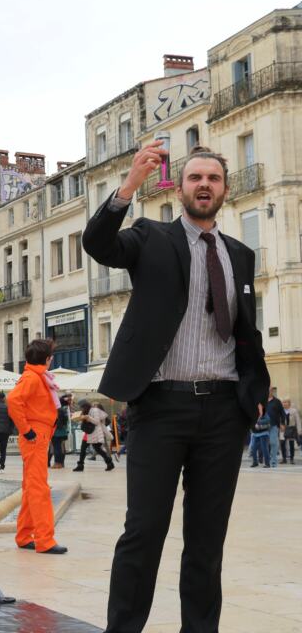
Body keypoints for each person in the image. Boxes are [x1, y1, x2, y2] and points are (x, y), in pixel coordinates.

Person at [83, 143, 269, 633]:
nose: (204, 185)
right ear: (180, 187)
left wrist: (256, 386)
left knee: (207, 543)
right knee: (143, 533)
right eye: (194, 178)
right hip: (161, 406)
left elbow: (246, 328)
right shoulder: (151, 237)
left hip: (224, 412)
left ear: (225, 189)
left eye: (213, 178)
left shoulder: (240, 255)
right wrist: (127, 187)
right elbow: (100, 245)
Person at [6, 338, 67, 554]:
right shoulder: (33, 377)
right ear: (47, 359)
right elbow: (13, 400)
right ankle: (45, 540)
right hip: (35, 437)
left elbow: (32, 403)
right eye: (51, 356)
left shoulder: (37, 377)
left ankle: (24, 536)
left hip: (39, 436)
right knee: (39, 488)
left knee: (31, 487)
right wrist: (26, 430)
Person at [72, 400, 115, 472]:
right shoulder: (88, 411)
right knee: (96, 449)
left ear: (85, 406)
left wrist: (87, 417)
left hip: (94, 433)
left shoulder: (94, 411)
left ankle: (80, 465)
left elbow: (97, 421)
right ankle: (109, 463)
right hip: (90, 433)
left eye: (82, 407)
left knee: (88, 449)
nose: (81, 409)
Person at [49, 394, 70, 469]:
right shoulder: (63, 410)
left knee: (56, 448)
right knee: (61, 448)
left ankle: (57, 463)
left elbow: (54, 421)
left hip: (56, 432)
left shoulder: (56, 410)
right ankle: (61, 463)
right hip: (62, 431)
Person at [267, 387, 286, 468]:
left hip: (274, 425)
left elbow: (282, 413)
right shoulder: (262, 400)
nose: (268, 392)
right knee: (263, 444)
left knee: (273, 443)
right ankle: (266, 461)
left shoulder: (277, 401)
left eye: (270, 390)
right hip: (263, 426)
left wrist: (282, 423)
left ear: (272, 391)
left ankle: (273, 462)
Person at [283, 398, 299, 464]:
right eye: (283, 402)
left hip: (291, 429)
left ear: (289, 403)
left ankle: (292, 458)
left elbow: (298, 421)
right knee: (282, 444)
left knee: (291, 444)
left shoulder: (294, 411)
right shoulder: (281, 411)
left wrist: (299, 430)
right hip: (283, 429)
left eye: (286, 402)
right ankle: (284, 458)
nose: (284, 403)